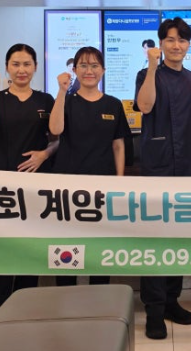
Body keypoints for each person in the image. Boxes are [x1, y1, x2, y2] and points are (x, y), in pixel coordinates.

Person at [134, 17, 191, 340]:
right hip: (157, 168)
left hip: (187, 168)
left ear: (188, 44)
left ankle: (172, 301)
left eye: (182, 40)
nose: (176, 45)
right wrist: (152, 67)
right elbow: (145, 106)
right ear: (160, 44)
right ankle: (154, 310)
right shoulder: (147, 74)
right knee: (156, 238)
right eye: (169, 39)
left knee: (180, 236)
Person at [0, 43, 58, 315]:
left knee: (30, 243)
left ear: (35, 67)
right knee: (0, 243)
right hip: (1, 183)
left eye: (26, 64)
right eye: (15, 64)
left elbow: (57, 138)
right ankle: (0, 302)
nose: (21, 70)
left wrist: (44, 155)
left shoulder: (45, 100)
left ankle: (26, 299)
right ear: (7, 67)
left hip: (35, 182)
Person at [50, 46, 131, 286]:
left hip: (103, 187)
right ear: (74, 70)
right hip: (68, 187)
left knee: (101, 247)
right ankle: (65, 295)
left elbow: (118, 145)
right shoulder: (66, 101)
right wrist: (61, 92)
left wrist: (119, 181)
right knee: (67, 247)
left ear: (103, 70)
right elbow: (55, 129)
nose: (89, 71)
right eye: (83, 66)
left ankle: (100, 296)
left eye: (94, 65)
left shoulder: (113, 104)